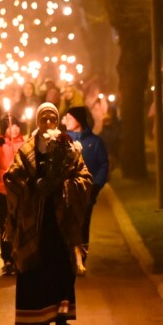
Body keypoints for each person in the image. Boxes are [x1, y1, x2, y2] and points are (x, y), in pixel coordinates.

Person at [4, 102, 92, 325]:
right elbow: (13, 176)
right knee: (36, 270)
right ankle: (40, 323)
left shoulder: (68, 147)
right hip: (36, 221)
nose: (49, 124)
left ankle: (61, 321)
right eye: (44, 120)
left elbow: (84, 178)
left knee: (60, 270)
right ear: (37, 122)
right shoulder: (27, 149)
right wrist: (33, 186)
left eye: (52, 120)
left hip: (60, 222)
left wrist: (63, 186)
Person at [64, 105, 109, 272]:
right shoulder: (63, 140)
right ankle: (66, 259)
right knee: (65, 225)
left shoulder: (94, 142)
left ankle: (80, 259)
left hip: (86, 193)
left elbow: (103, 165)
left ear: (79, 120)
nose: (66, 120)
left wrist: (96, 185)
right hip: (66, 191)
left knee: (82, 226)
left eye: (69, 117)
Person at [0, 113, 24, 275]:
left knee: (18, 225)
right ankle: (7, 259)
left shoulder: (25, 143)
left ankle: (19, 257)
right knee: (4, 226)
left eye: (16, 126)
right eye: (10, 126)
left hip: (19, 190)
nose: (13, 129)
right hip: (1, 190)